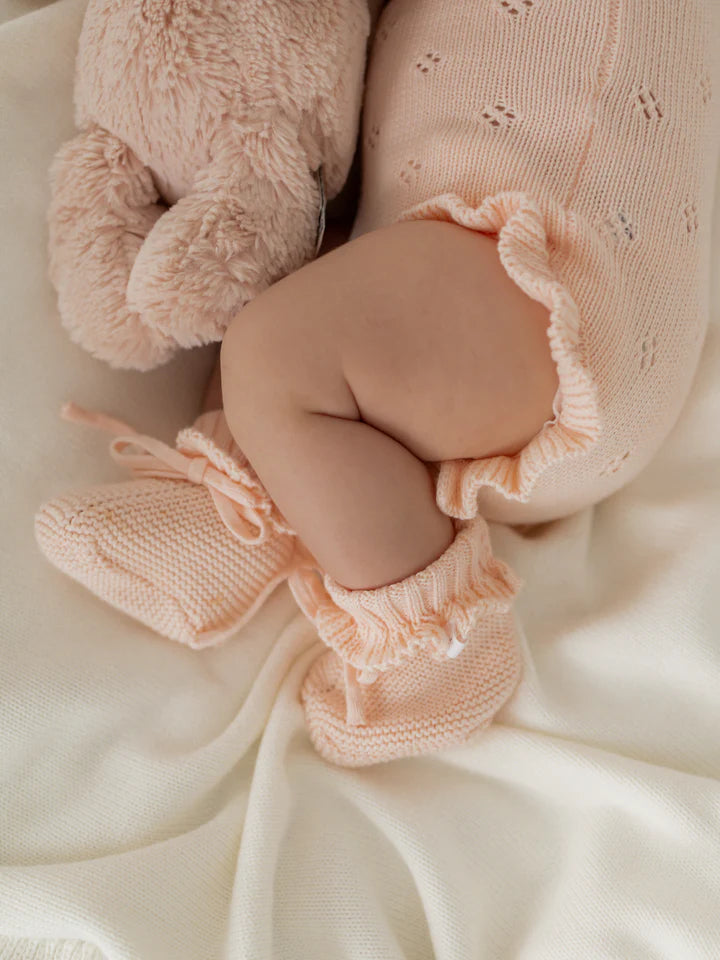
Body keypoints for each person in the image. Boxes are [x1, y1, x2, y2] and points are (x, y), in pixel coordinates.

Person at [36, 0, 720, 765]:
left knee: (277, 353)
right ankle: (248, 514)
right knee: (285, 279)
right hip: (487, 316)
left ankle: (434, 642)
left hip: (548, 282)